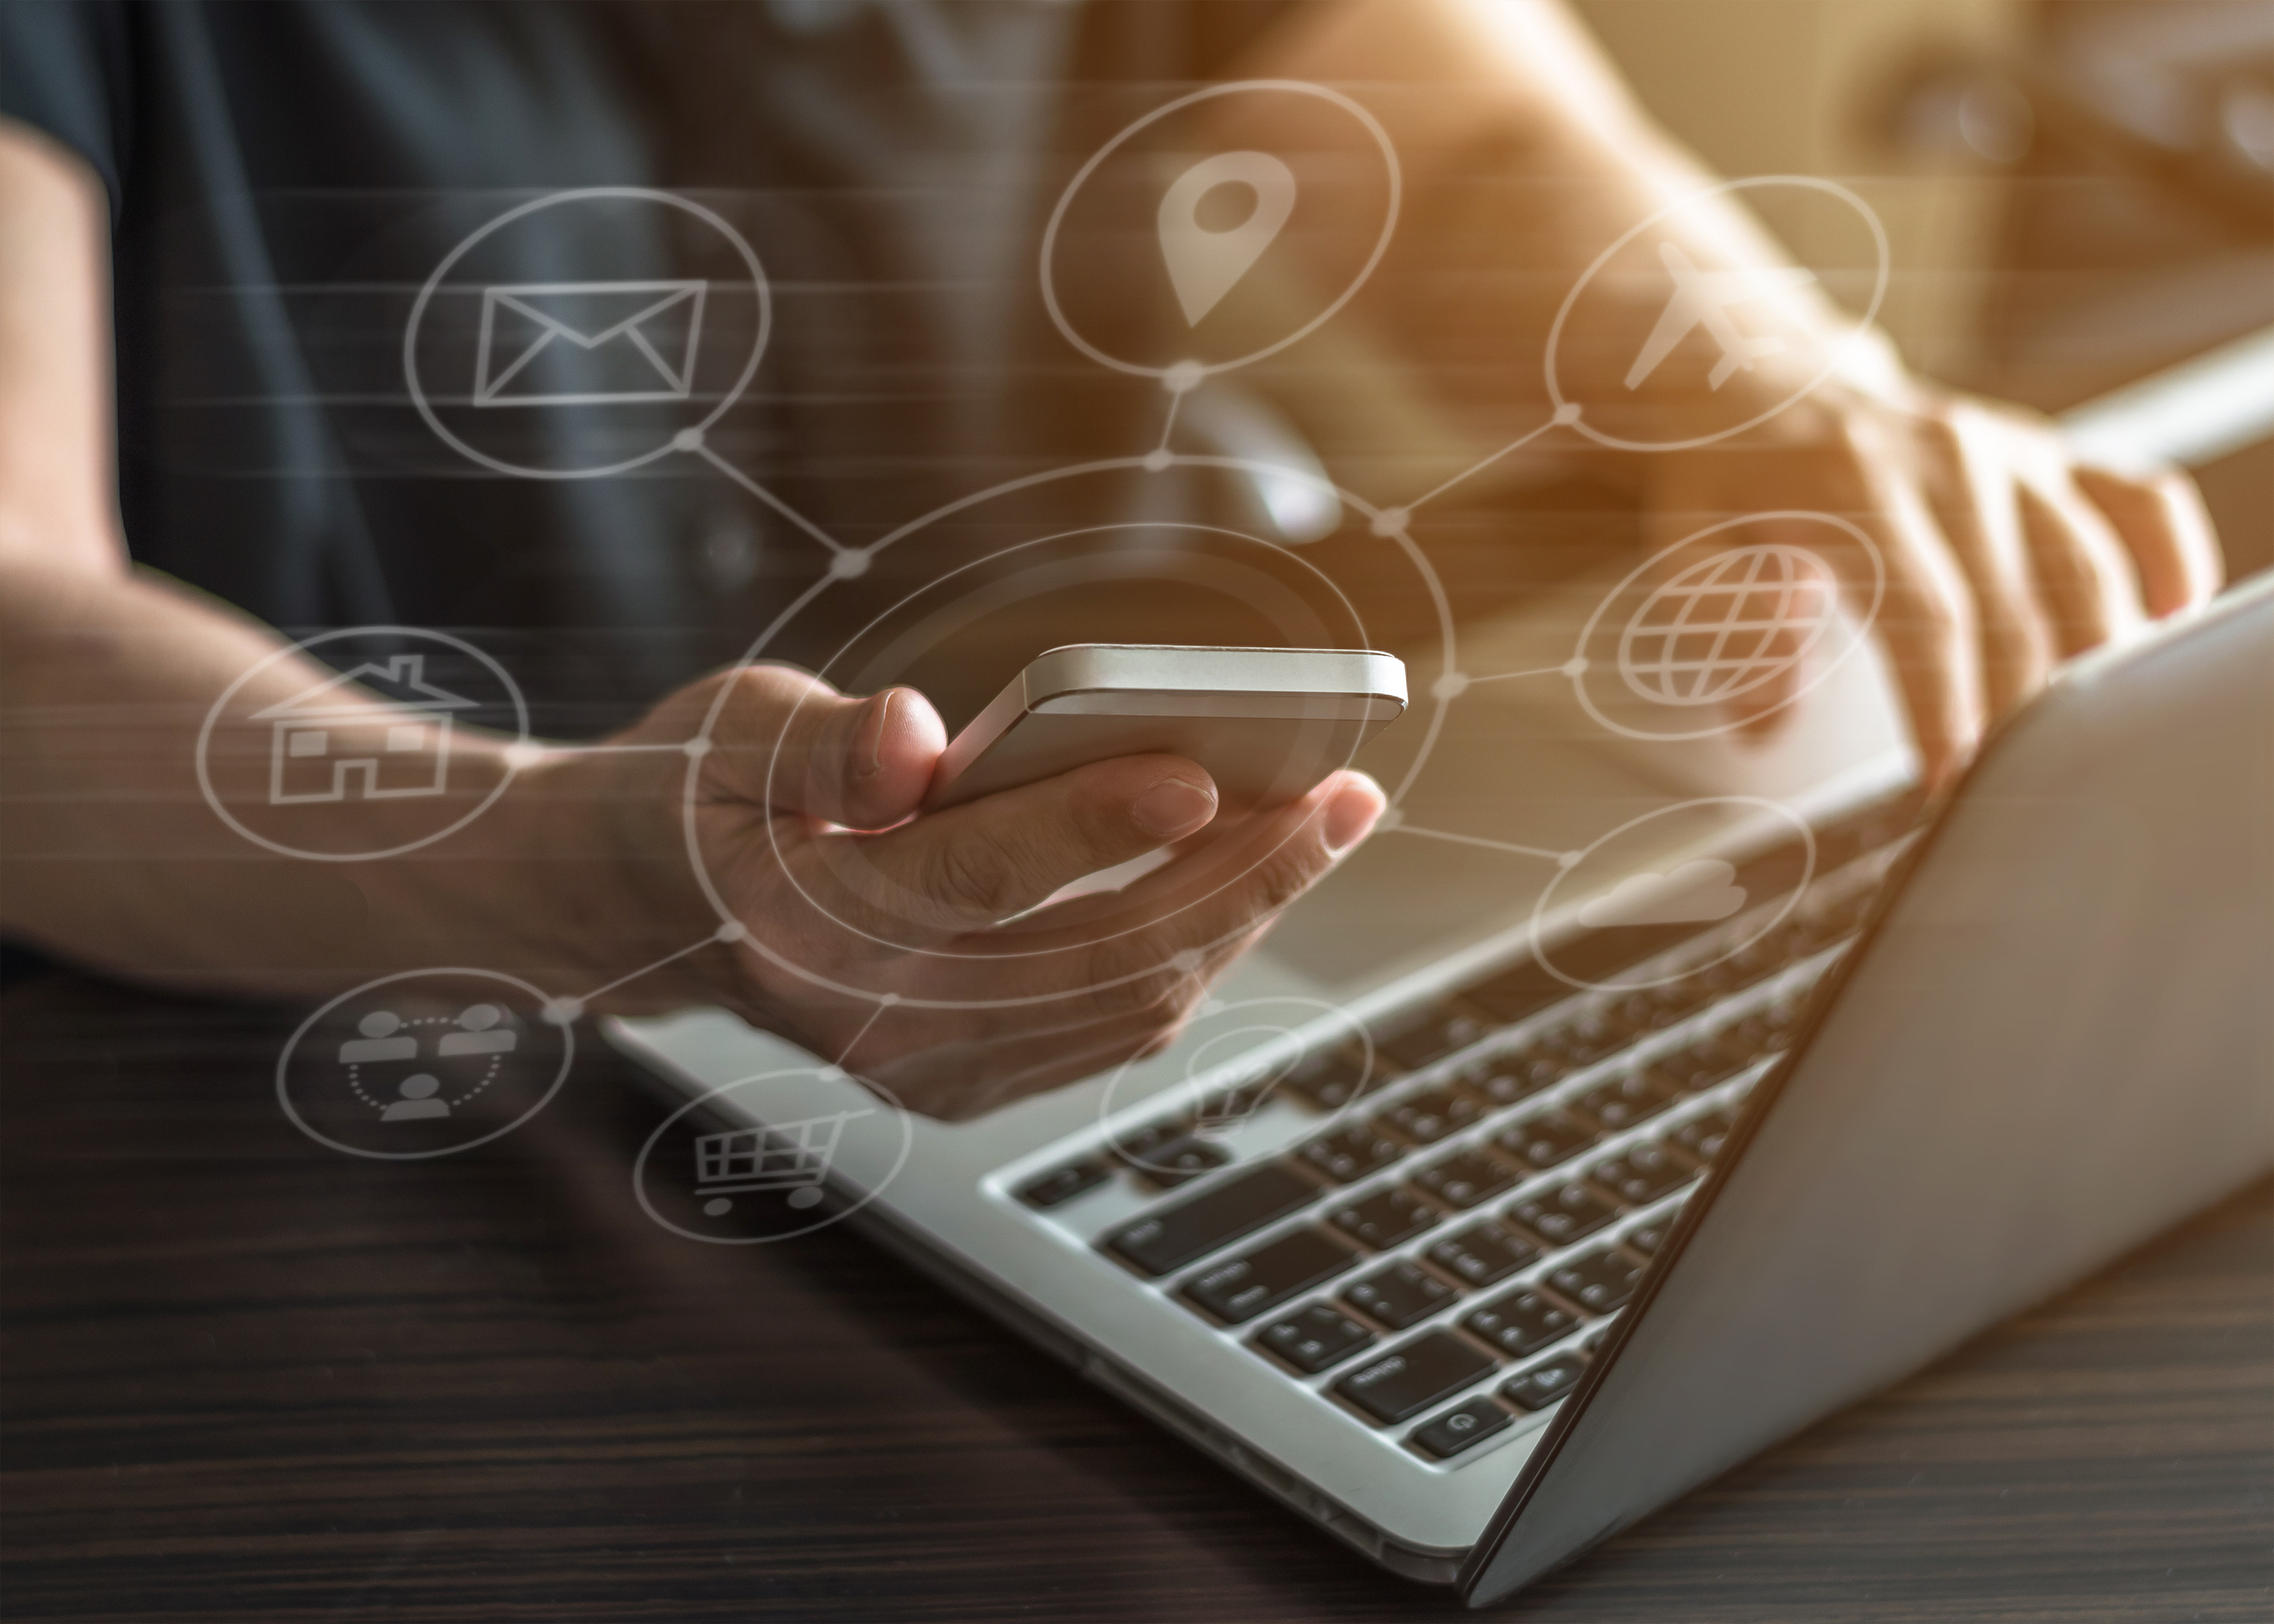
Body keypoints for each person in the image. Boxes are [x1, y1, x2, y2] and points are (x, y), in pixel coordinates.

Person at [0, 1, 2221, 1124]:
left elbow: (1415, 107)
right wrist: (585, 873)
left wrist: (1755, 379)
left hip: (1166, 948)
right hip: (316, 1075)